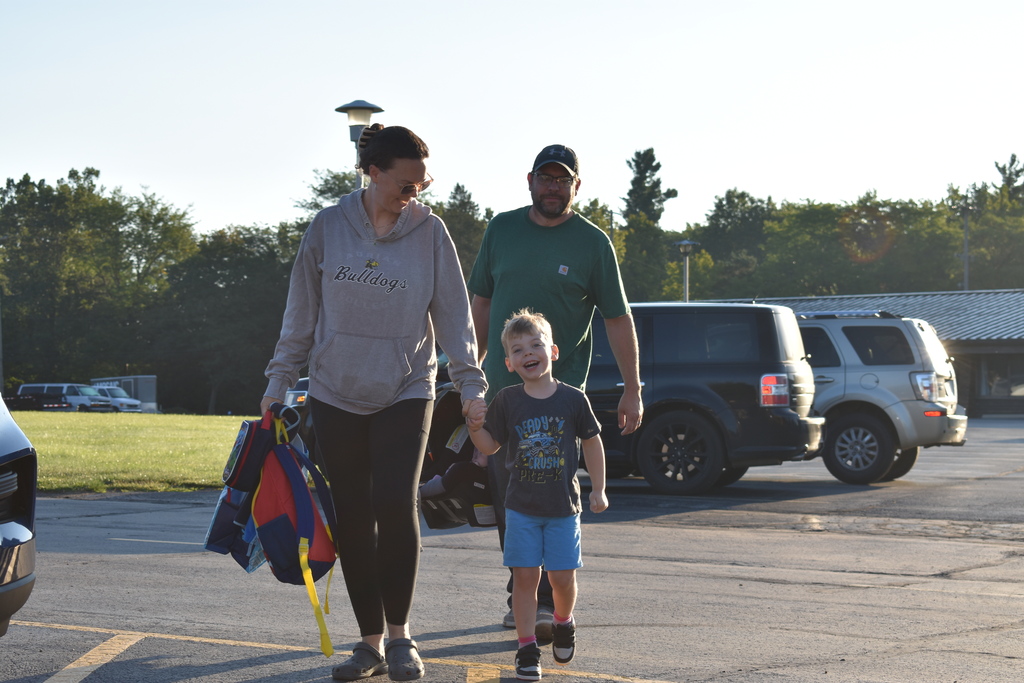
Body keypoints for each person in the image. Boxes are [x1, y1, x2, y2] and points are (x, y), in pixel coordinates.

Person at [261, 124, 486, 682]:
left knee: (394, 500)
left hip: (407, 386)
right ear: (373, 171)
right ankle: (367, 643)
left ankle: (402, 637)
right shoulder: (327, 228)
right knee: (355, 517)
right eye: (405, 182)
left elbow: (455, 317)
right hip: (335, 390)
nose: (415, 191)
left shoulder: (430, 231)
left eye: (421, 181)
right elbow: (301, 314)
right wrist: (278, 380)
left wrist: (472, 383)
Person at [467, 144, 642, 637]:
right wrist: (468, 369)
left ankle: (547, 601)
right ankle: (523, 592)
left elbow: (617, 318)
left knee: (551, 493)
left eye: (562, 180)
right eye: (545, 178)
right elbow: (480, 302)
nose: (552, 187)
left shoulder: (592, 242)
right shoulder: (502, 229)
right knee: (511, 501)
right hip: (503, 397)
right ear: (529, 180)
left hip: (558, 402)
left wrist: (633, 388)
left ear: (576, 187)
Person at [465, 309, 608, 681]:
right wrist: (474, 425)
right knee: (526, 577)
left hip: (563, 508)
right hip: (521, 509)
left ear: (553, 351)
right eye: (518, 349)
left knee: (561, 577)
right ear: (510, 363)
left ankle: (563, 621)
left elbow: (592, 443)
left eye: (536, 344)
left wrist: (599, 489)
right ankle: (526, 648)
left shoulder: (573, 399)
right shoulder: (508, 400)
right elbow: (490, 446)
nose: (529, 353)